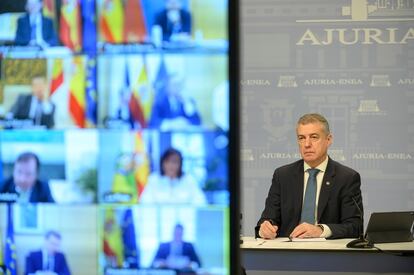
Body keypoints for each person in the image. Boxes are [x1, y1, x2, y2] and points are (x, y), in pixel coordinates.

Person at [256, 113, 363, 239]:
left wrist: (321, 230)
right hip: (288, 252)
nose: (307, 144)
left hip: (328, 254)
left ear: (328, 140)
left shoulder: (346, 178)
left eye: (314, 137)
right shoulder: (283, 176)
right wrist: (264, 229)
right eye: (301, 138)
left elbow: (355, 226)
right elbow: (268, 219)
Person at [140, 148, 207, 205]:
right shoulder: (154, 179)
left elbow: (200, 201)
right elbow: (145, 201)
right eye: (167, 162)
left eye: (175, 162)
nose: (171, 165)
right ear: (162, 163)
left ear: (180, 164)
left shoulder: (188, 180)